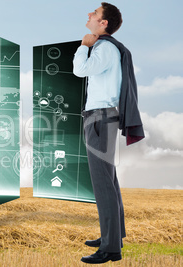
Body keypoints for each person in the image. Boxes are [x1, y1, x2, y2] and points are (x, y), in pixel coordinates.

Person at [73, 2, 144, 264]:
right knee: (109, 180)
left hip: (100, 118)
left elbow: (79, 70)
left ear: (103, 24)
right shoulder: (109, 48)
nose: (89, 15)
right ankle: (112, 235)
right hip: (103, 117)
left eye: (94, 13)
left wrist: (83, 46)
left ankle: (111, 248)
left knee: (102, 183)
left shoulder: (103, 48)